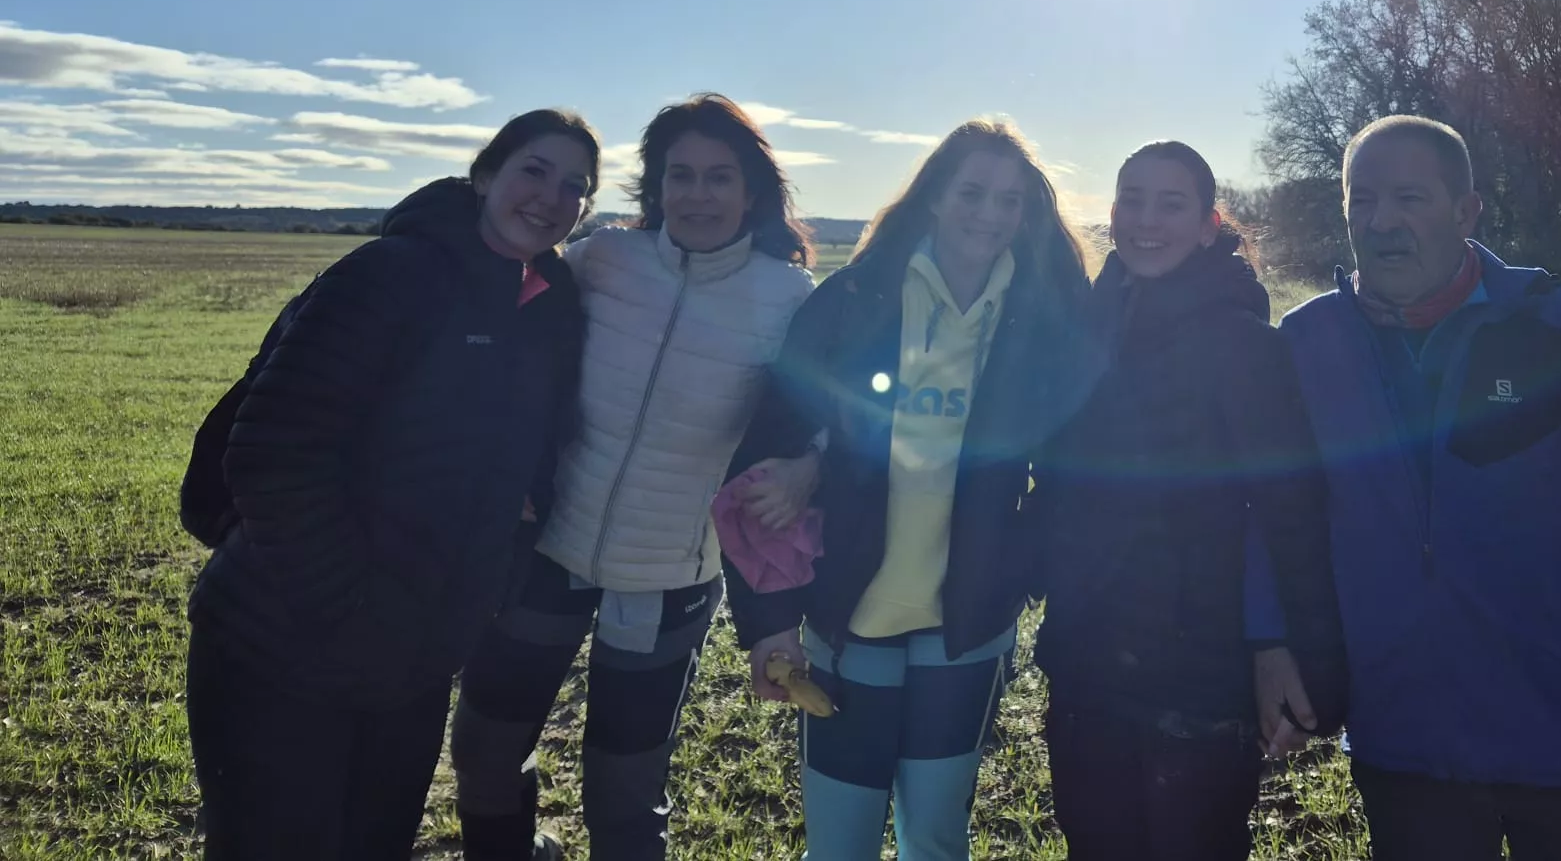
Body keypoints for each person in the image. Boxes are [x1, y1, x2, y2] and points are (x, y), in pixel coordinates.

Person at [1247, 115, 1561, 861]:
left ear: (1467, 212)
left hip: (1559, 726)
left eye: (1410, 198)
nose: (1382, 221)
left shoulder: (1555, 329)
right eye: (1361, 201)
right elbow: (1269, 504)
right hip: (1399, 736)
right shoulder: (1305, 343)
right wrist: (1268, 641)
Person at [185, 109, 599, 861]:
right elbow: (272, 455)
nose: (551, 195)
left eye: (576, 186)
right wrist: (348, 608)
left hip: (412, 655)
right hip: (278, 640)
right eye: (534, 169)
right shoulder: (391, 274)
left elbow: (515, 450)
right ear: (484, 176)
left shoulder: (541, 308)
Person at [450, 94, 819, 861]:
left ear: (752, 190)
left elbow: (830, 420)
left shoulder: (788, 299)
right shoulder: (603, 260)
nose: (697, 195)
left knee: (622, 792)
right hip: (548, 552)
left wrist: (808, 467)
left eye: (719, 178)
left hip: (668, 579)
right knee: (485, 749)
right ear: (654, 188)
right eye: (678, 176)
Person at [724, 120, 1092, 861]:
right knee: (840, 842)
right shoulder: (853, 299)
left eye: (1009, 200)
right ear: (932, 198)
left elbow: (1075, 464)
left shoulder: (1045, 324)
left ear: (1028, 216)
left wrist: (1024, 566)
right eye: (972, 192)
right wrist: (767, 618)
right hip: (847, 618)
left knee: (934, 835)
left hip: (966, 628)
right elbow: (773, 446)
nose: (989, 213)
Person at [1033, 141, 1347, 861]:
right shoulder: (1090, 327)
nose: (1146, 219)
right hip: (1088, 658)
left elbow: (1290, 509)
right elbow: (1058, 484)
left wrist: (1298, 657)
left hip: (1199, 672)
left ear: (1209, 225)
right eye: (1131, 200)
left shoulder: (1240, 343)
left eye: (1171, 204)